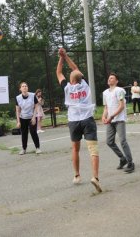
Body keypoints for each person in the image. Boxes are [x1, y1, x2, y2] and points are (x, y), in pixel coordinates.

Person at [56, 47, 102, 193]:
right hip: (87, 119)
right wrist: (66, 56)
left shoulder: (67, 88)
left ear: (71, 80)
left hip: (74, 121)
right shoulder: (85, 84)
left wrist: (61, 57)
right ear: (81, 78)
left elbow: (58, 72)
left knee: (75, 148)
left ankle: (77, 175)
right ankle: (95, 177)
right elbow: (75, 69)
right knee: (93, 149)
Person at [102, 73, 135, 173]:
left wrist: (112, 116)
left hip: (119, 120)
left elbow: (121, 106)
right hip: (110, 121)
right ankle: (122, 158)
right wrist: (104, 116)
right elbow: (106, 107)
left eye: (112, 78)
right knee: (109, 141)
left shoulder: (120, 90)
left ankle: (130, 163)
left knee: (123, 141)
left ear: (116, 81)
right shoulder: (105, 93)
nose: (109, 79)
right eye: (109, 78)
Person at [15, 82, 42, 155]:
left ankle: (37, 148)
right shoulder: (18, 98)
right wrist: (18, 121)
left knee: (33, 132)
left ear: (27, 88)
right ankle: (24, 149)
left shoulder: (33, 95)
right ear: (20, 89)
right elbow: (17, 111)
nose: (24, 87)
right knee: (24, 134)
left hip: (32, 116)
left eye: (26, 86)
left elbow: (36, 107)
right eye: (23, 86)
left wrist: (33, 118)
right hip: (23, 118)